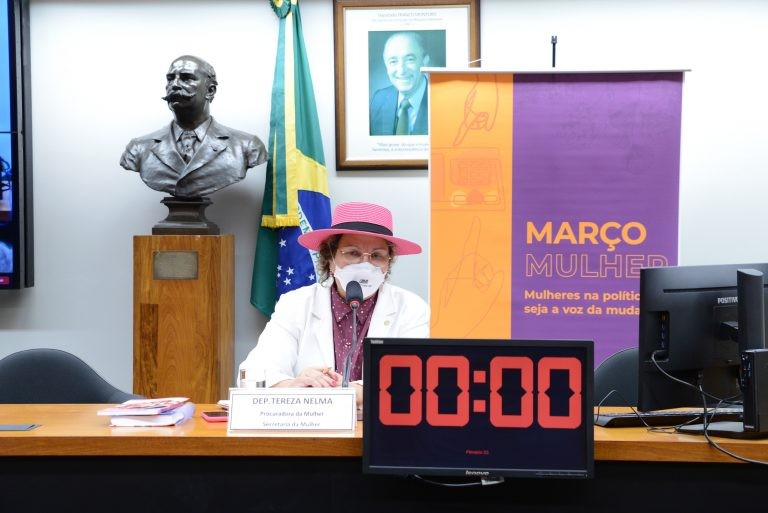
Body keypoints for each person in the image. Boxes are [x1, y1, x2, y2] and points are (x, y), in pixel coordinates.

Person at [239, 202, 430, 405]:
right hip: (311, 429)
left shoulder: (411, 308)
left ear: (388, 263)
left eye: (377, 256)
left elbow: (414, 381)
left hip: (382, 430)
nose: (365, 265)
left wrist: (354, 392)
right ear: (329, 257)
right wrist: (295, 386)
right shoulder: (295, 304)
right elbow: (251, 375)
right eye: (353, 253)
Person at [119, 55, 267, 198]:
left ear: (210, 91)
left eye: (186, 78)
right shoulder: (138, 148)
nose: (175, 85)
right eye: (170, 79)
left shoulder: (247, 146)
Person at [369, 32, 430, 136]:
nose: (401, 70)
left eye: (410, 59)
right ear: (386, 65)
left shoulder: (444, 101)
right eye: (393, 61)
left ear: (424, 61)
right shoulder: (378, 99)